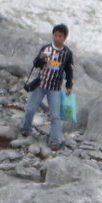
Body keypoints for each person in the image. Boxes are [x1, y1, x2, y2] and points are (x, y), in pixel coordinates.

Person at [20, 23, 74, 151]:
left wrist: (69, 85)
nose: (57, 38)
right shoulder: (46, 48)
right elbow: (36, 64)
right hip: (41, 84)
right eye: (55, 35)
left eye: (60, 36)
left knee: (55, 115)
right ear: (53, 35)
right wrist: (41, 58)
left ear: (65, 37)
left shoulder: (67, 53)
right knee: (30, 109)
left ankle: (55, 140)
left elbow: (69, 70)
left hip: (55, 88)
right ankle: (25, 128)